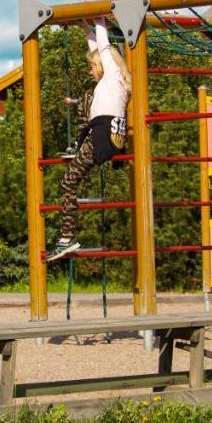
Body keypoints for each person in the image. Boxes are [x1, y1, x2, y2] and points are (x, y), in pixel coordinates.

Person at [48, 19, 132, 261]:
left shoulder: (112, 77)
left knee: (67, 184)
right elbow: (97, 47)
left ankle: (66, 238)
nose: (90, 71)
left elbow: (104, 47)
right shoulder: (116, 85)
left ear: (103, 67)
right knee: (86, 98)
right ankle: (77, 145)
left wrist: (99, 20)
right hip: (110, 135)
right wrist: (85, 28)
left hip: (102, 136)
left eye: (91, 67)